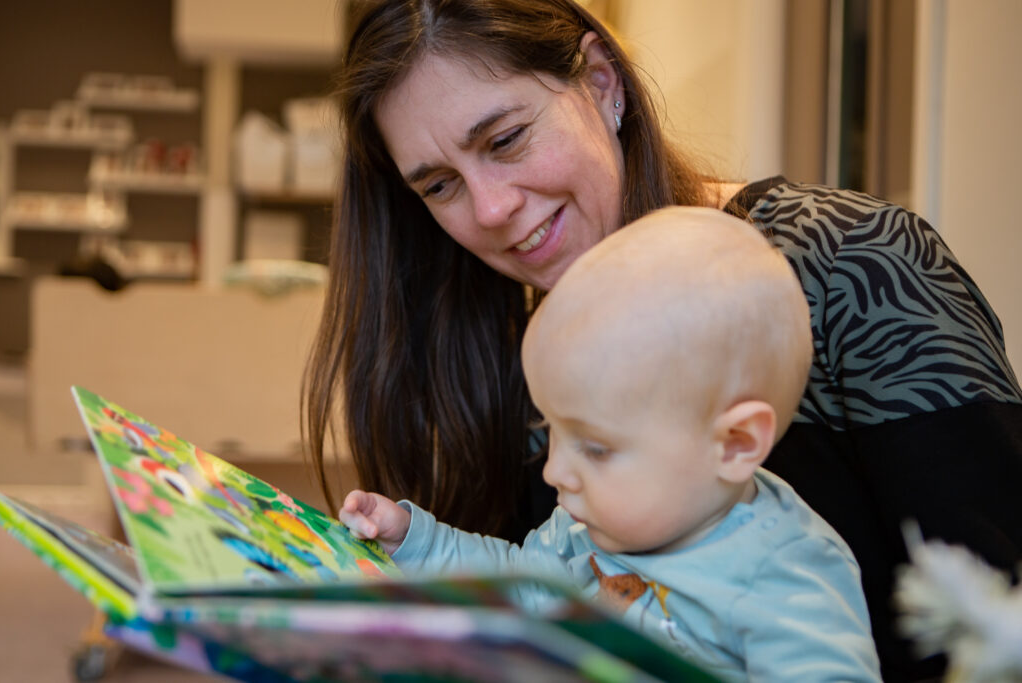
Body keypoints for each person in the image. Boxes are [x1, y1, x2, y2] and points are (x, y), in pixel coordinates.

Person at [302, 1, 1022, 679]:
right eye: (439, 186)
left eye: (506, 138)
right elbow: (530, 594)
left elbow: (1002, 608)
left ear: (603, 85)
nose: (490, 209)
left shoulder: (853, 267)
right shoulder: (532, 350)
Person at [340, 206, 883, 682]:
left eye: (595, 448)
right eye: (549, 432)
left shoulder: (787, 577)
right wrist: (416, 540)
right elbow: (514, 585)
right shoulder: (586, 528)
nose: (555, 471)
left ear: (736, 444)